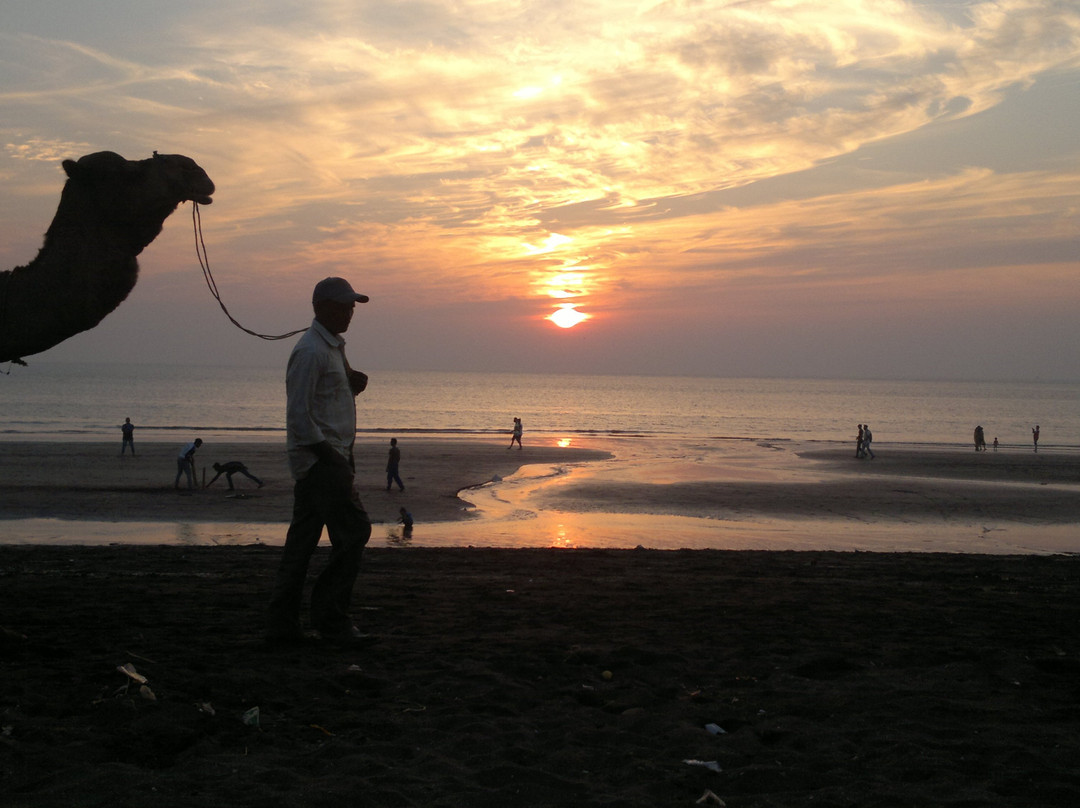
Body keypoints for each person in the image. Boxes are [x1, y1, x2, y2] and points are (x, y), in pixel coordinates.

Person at [266, 277, 373, 646]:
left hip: (329, 459)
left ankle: (283, 626)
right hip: (320, 463)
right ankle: (330, 618)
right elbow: (299, 417)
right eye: (344, 306)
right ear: (323, 307)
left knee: (302, 544)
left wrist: (350, 381)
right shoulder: (311, 350)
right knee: (355, 531)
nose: (350, 312)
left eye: (352, 306)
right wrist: (333, 459)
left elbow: (327, 401)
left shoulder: (332, 348)